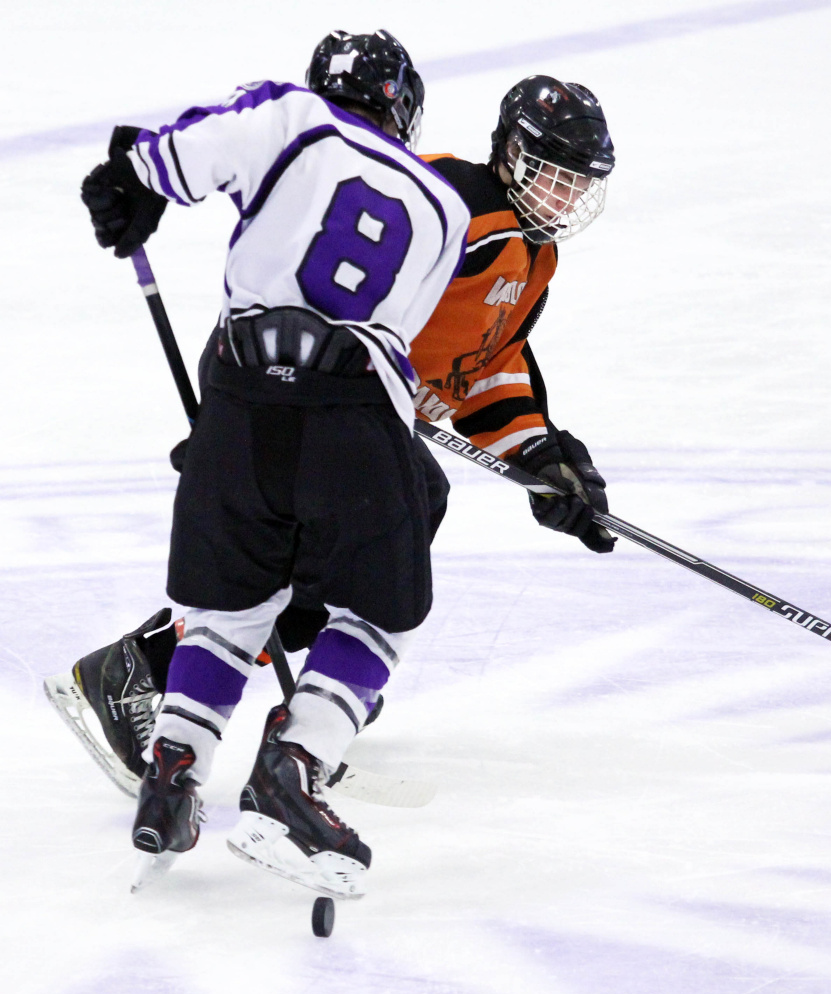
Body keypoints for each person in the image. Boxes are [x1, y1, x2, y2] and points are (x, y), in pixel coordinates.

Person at [48, 71, 615, 887]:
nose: (563, 194)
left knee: (403, 511)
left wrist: (545, 456)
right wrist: (237, 407)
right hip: (318, 402)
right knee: (373, 535)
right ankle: (153, 667)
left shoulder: (534, 257)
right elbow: (309, 280)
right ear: (512, 152)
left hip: (346, 413)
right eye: (553, 170)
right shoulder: (455, 200)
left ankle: (230, 693)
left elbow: (487, 371)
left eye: (579, 180)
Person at [72, 28, 471, 897]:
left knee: (227, 611)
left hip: (239, 407)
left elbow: (165, 156)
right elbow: (393, 337)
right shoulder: (444, 208)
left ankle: (173, 772)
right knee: (375, 617)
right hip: (356, 419)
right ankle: (296, 765)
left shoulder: (288, 115)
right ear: (403, 108)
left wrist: (126, 187)